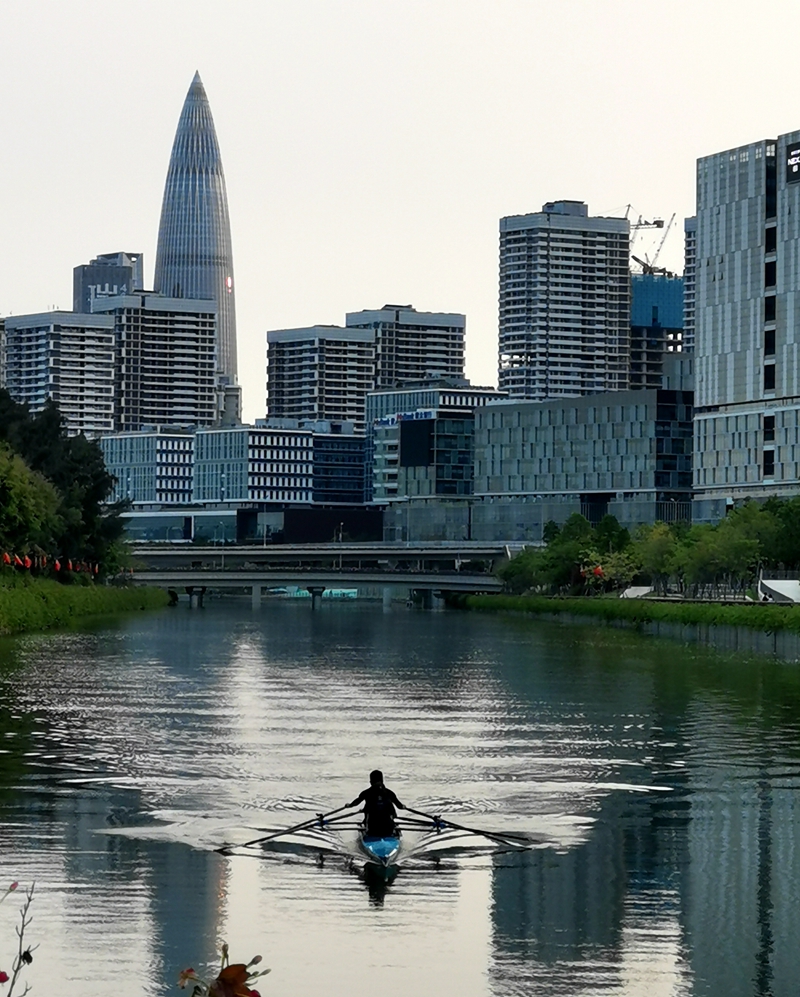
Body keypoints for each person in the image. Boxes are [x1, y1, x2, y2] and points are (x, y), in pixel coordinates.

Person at [347, 770, 405, 837]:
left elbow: (356, 802)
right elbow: (399, 806)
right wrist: (403, 806)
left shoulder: (366, 793)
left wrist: (350, 805)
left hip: (372, 828)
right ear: (382, 781)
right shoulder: (389, 793)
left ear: (370, 782)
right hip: (388, 828)